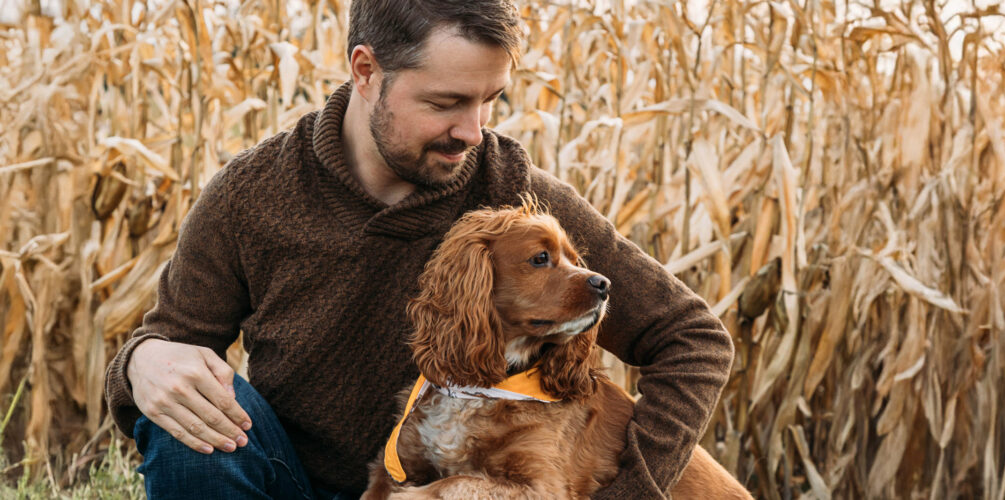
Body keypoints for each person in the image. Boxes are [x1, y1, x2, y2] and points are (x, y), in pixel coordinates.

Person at [101, 1, 735, 498]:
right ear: (366, 71)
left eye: (489, 101)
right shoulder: (252, 195)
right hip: (299, 482)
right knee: (185, 424)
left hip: (461, 492)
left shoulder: (516, 197)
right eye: (446, 102)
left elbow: (693, 339)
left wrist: (628, 495)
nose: (473, 131)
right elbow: (170, 340)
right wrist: (142, 363)